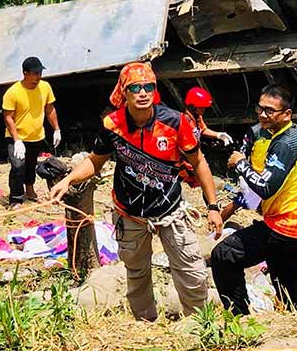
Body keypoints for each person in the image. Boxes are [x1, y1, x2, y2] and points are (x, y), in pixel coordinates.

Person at [49, 62, 223, 321]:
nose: (142, 93)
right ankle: (145, 321)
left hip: (170, 210)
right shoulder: (112, 125)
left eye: (148, 87)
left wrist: (213, 207)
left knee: (190, 270)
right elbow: (96, 161)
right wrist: (69, 180)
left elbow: (198, 162)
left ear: (155, 90)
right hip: (128, 212)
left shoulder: (175, 122)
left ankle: (200, 322)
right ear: (124, 92)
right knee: (137, 271)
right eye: (135, 88)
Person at [211, 85, 297, 316]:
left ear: (286, 114)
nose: (262, 114)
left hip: (283, 226)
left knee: (224, 255)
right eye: (260, 108)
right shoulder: (295, 132)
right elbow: (255, 134)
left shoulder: (285, 144)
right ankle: (293, 321)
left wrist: (240, 163)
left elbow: (266, 187)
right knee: (285, 284)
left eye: (269, 111)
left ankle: (240, 317)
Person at [2, 57, 61, 210]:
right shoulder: (13, 92)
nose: (38, 77)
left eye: (40, 73)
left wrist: (56, 129)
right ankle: (16, 198)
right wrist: (16, 139)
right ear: (25, 73)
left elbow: (49, 109)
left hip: (36, 135)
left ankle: (30, 191)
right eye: (34, 73)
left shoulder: (45, 87)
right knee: (17, 166)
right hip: (17, 137)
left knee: (31, 164)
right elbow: (8, 116)